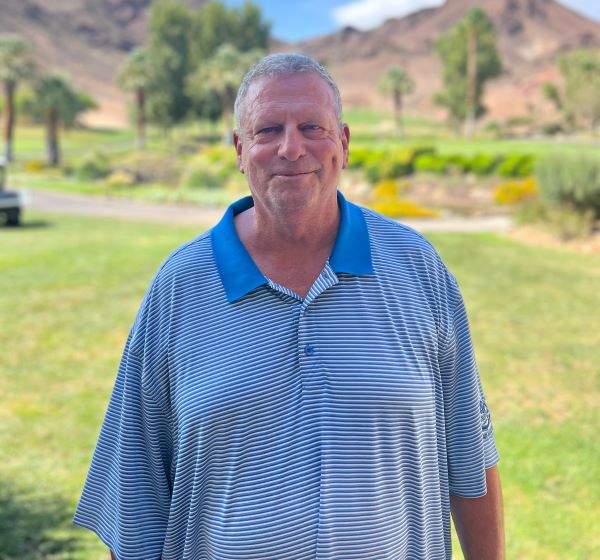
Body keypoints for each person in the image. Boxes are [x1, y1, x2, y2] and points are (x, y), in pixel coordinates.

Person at [74, 52, 504, 560]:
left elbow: (470, 454)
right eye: (268, 130)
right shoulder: (180, 287)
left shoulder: (416, 268)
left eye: (312, 127)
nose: (292, 148)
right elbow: (135, 492)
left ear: (343, 144)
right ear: (240, 149)